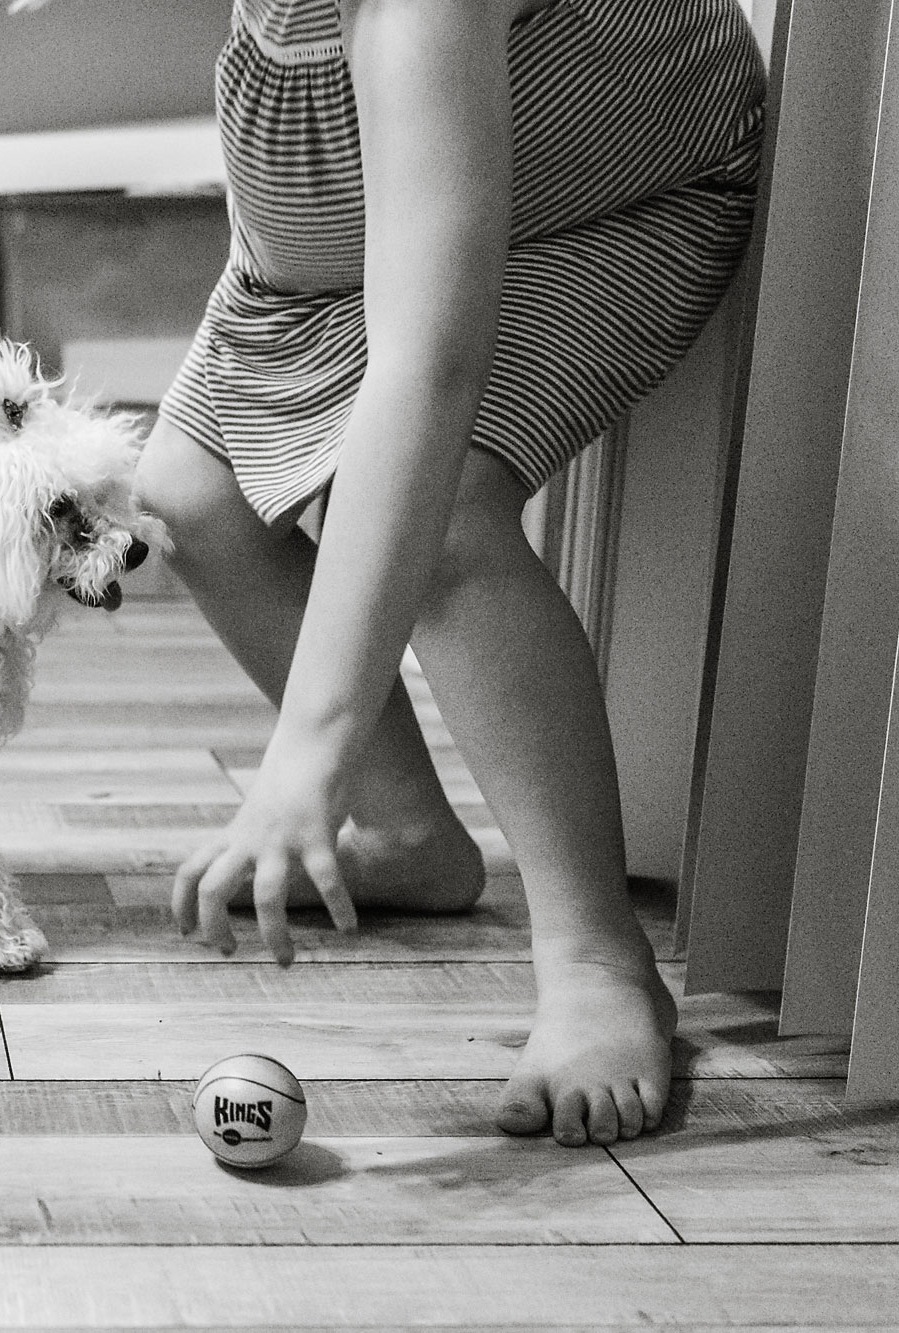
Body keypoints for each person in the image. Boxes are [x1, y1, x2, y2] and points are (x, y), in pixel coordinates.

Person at [129, 0, 765, 1147]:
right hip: (339, 256)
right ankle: (412, 837)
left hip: (583, 217)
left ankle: (590, 952)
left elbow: (426, 376)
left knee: (446, 519)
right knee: (186, 499)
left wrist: (304, 749)